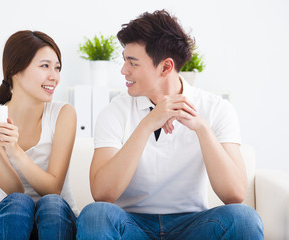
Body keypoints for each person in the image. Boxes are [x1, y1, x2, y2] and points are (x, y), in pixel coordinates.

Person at [76, 10, 264, 240]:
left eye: (132, 63)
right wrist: (147, 124)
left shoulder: (216, 109)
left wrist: (202, 129)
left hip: (194, 225)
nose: (123, 70)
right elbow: (103, 194)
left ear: (165, 67)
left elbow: (234, 195)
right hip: (132, 225)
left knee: (245, 218)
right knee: (95, 215)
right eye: (124, 60)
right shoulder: (115, 111)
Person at [0, 30, 78, 240]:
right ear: (15, 70)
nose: (54, 76)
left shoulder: (63, 113)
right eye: (45, 66)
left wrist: (14, 150)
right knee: (18, 202)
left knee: (51, 204)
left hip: (54, 219)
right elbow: (13, 189)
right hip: (6, 217)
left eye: (57, 68)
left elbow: (53, 189)